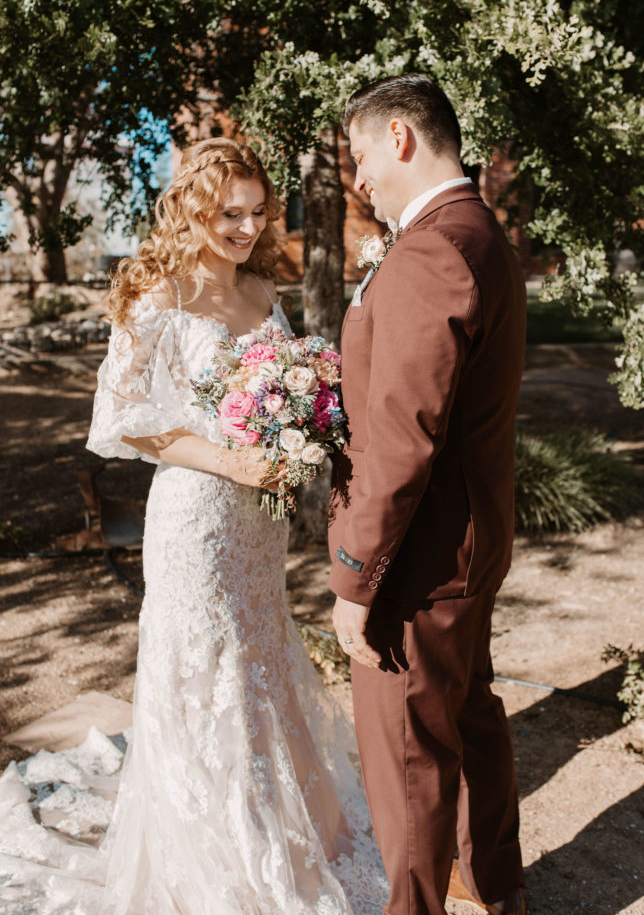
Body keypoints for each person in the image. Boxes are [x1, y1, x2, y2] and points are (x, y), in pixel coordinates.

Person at [0, 138, 387, 915]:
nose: (245, 227)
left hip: (258, 527)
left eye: (256, 211)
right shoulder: (158, 296)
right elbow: (125, 423)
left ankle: (284, 827)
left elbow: (281, 394)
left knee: (261, 663)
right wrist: (235, 462)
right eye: (227, 213)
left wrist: (293, 438)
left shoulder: (261, 292)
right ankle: (217, 851)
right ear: (193, 209)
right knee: (207, 675)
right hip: (197, 520)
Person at [328, 75, 527, 915]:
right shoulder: (477, 233)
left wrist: (352, 578)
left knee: (408, 759)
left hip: (419, 556)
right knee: (469, 717)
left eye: (361, 155)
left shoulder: (431, 250)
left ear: (401, 137)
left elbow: (404, 438)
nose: (359, 178)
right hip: (469, 541)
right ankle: (496, 893)